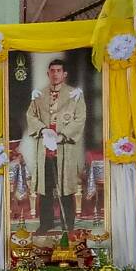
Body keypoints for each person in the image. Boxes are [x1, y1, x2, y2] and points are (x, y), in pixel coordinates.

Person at [24, 58, 86, 233]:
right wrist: (43, 130)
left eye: (59, 71)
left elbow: (80, 118)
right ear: (48, 74)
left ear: (64, 74)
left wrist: (62, 136)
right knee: (45, 188)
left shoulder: (75, 95)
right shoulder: (39, 94)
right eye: (52, 71)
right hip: (45, 149)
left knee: (65, 187)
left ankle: (68, 223)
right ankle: (46, 223)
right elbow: (31, 116)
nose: (55, 74)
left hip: (64, 148)